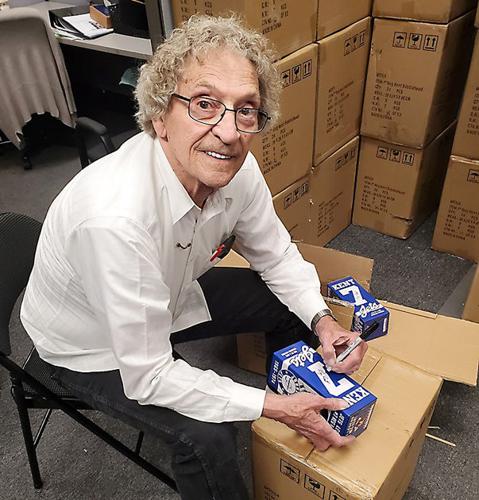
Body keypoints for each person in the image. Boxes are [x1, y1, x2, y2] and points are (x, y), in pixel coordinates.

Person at [21, 14, 368, 500]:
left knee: (286, 302)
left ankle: (300, 386)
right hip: (90, 341)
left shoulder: (237, 170)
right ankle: (283, 410)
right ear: (159, 117)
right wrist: (267, 407)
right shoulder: (115, 220)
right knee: (207, 437)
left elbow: (277, 256)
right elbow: (149, 376)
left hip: (165, 293)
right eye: (205, 104)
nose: (229, 132)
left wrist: (324, 321)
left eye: (246, 110)